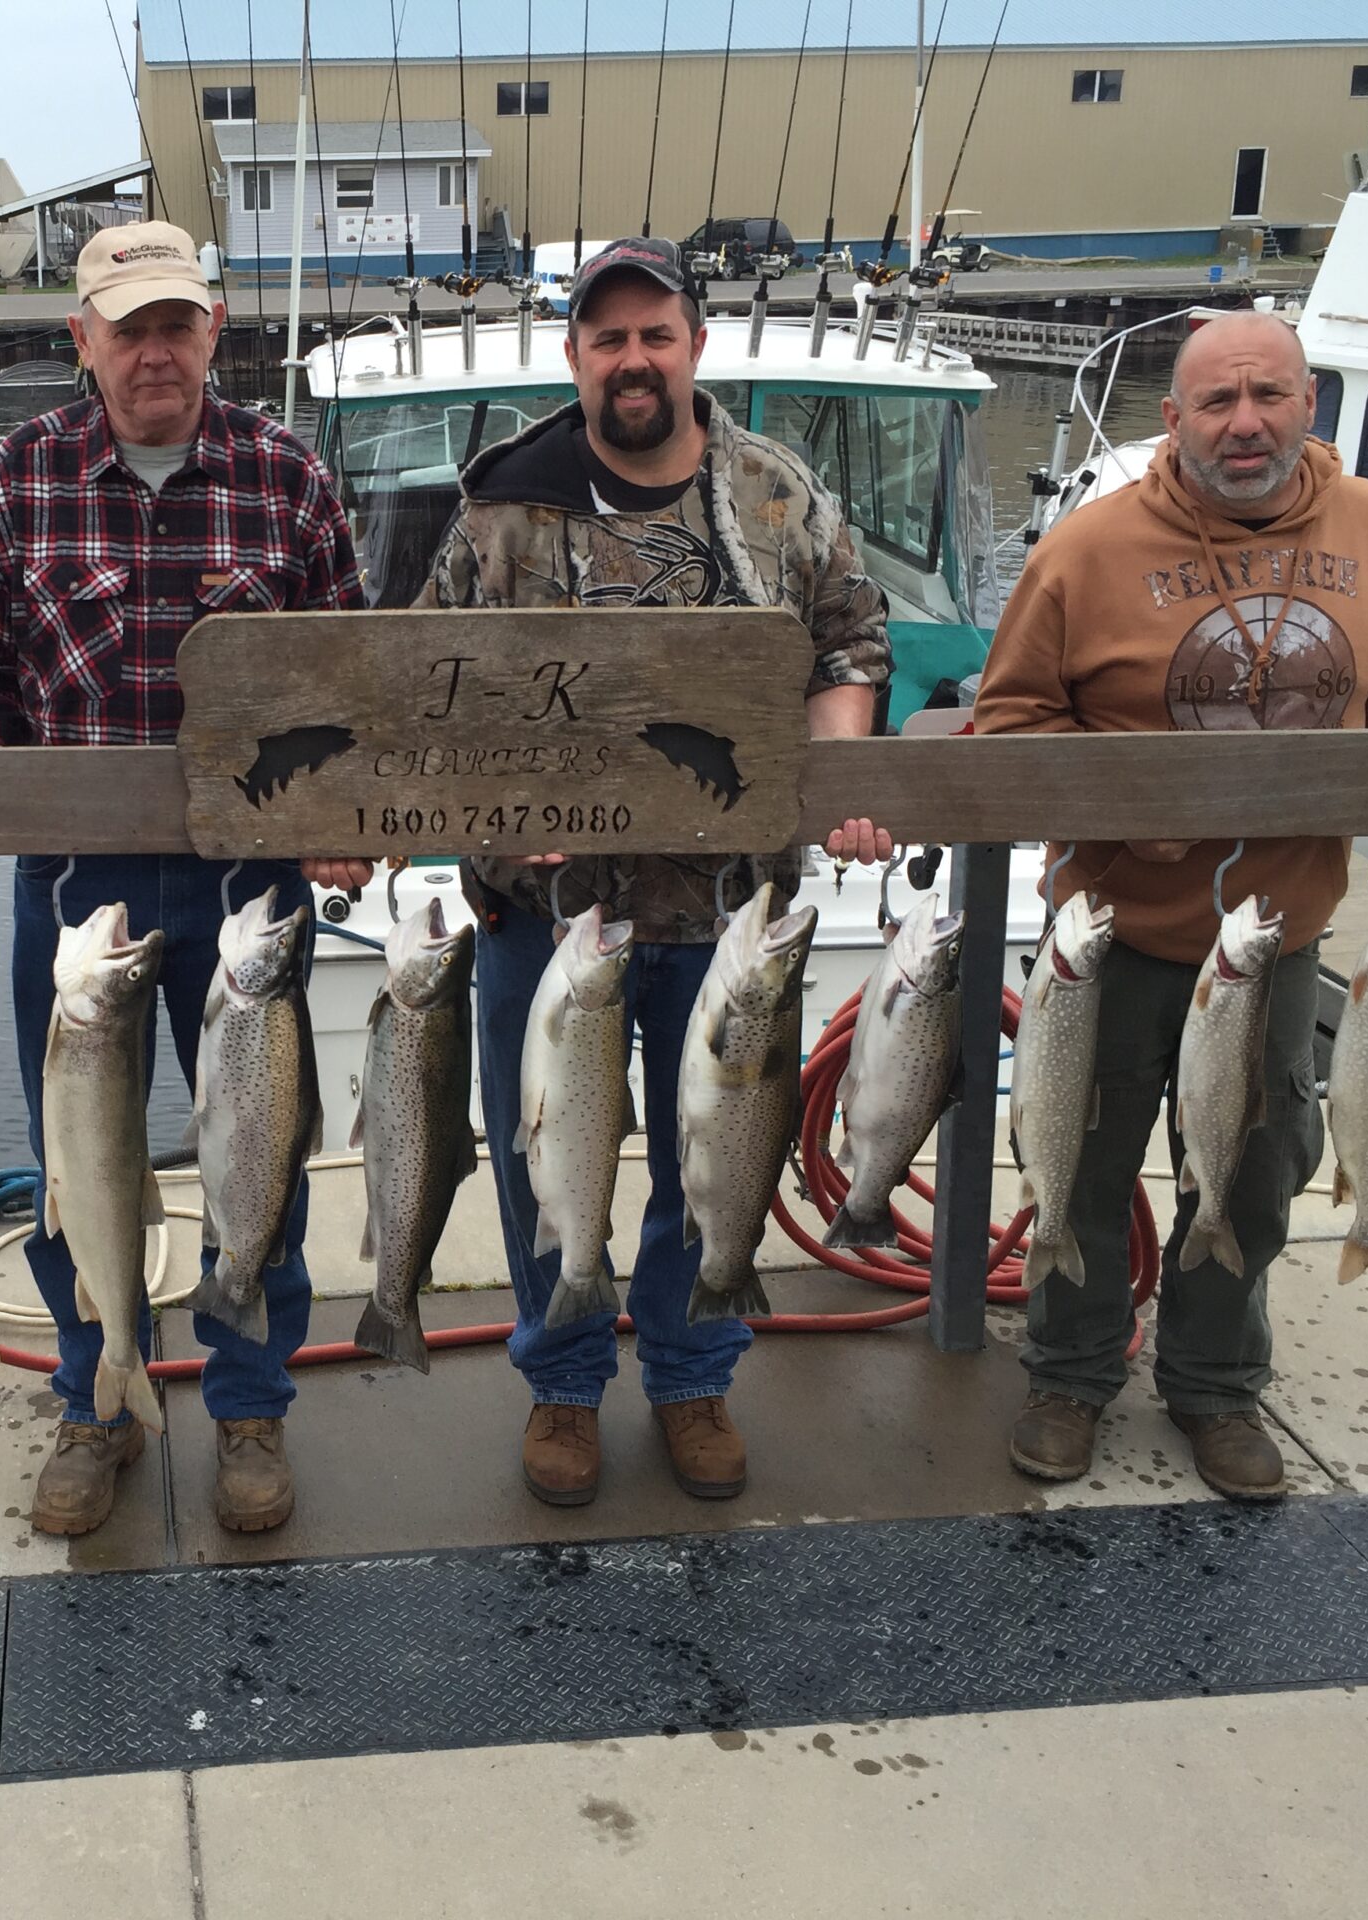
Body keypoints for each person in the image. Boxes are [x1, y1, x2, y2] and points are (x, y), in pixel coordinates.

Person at [976, 308, 1368, 1502]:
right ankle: (1068, 1372)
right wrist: (1120, 815)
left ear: (1306, 405)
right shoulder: (1085, 549)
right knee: (1079, 1159)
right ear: (1172, 420)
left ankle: (1215, 1386)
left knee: (1254, 1167)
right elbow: (1010, 723)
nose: (1245, 423)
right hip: (1108, 935)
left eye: (1268, 395)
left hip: (1279, 933)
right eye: (1217, 402)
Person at [415, 236, 894, 1508]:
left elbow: (850, 645)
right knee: (541, 1155)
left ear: (693, 345)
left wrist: (831, 782)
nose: (633, 358)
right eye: (606, 337)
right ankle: (563, 1386)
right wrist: (506, 811)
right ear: (573, 356)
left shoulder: (772, 493)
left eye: (655, 333)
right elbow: (424, 682)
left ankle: (692, 1377)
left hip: (725, 913)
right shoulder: (501, 502)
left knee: (713, 1153)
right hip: (545, 913)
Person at [0, 222, 370, 1538]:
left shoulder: (286, 474)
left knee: (256, 1153)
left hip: (251, 875)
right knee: (77, 1161)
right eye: (129, 327)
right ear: (85, 340)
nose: (155, 351)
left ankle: (249, 1408)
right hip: (78, 879)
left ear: (213, 329)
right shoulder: (24, 475)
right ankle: (93, 1398)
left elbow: (350, 672)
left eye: (177, 323)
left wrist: (340, 814)